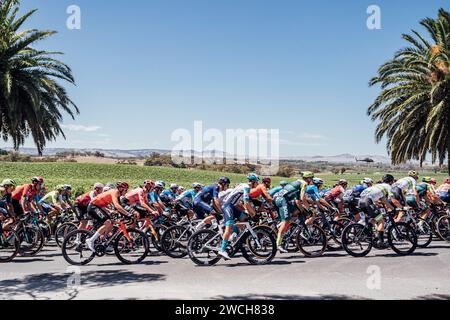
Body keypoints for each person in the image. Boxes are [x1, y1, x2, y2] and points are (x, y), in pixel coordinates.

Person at [218, 173, 259, 260]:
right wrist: (254, 214)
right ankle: (222, 249)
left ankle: (234, 237)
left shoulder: (243, 185)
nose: (257, 185)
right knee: (229, 226)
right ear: (253, 182)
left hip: (233, 206)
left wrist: (246, 212)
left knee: (244, 218)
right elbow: (246, 203)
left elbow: (239, 203)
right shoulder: (246, 188)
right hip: (227, 206)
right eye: (257, 182)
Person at [273, 171, 314, 253]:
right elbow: (303, 198)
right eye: (311, 178)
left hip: (279, 199)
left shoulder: (298, 182)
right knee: (286, 220)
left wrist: (302, 209)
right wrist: (309, 209)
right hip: (282, 200)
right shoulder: (304, 184)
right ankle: (278, 244)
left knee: (296, 212)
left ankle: (281, 226)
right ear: (308, 178)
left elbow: (298, 201)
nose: (312, 180)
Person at [85, 182, 132, 252]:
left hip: (99, 207)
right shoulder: (114, 192)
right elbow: (117, 206)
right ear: (121, 189)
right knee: (107, 222)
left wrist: (125, 215)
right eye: (126, 190)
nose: (126, 192)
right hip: (93, 206)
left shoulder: (118, 195)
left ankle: (104, 241)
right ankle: (91, 240)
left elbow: (119, 207)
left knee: (111, 222)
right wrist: (128, 214)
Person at [358, 174, 397, 248]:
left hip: (360, 201)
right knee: (381, 220)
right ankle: (381, 241)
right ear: (391, 181)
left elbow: (383, 200)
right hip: (367, 201)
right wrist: (393, 208)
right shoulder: (388, 186)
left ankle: (368, 232)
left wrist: (385, 206)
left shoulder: (377, 186)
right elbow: (391, 199)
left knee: (375, 218)